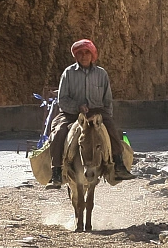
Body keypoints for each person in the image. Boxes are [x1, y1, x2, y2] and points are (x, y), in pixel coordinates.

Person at [46, 39, 135, 190]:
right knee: (59, 132)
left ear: (93, 55)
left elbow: (107, 99)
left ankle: (118, 166)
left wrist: (105, 117)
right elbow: (62, 99)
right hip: (71, 114)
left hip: (97, 112)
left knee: (112, 130)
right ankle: (56, 172)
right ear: (76, 56)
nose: (84, 56)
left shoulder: (101, 74)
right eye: (80, 53)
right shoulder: (68, 73)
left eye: (87, 52)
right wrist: (77, 107)